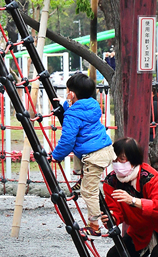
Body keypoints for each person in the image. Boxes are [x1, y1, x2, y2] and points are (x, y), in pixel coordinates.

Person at [49, 74, 115, 236]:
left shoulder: (72, 116)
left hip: (94, 156)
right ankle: (83, 180)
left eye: (68, 92)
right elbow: (79, 110)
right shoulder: (93, 105)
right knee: (82, 153)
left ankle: (94, 225)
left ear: (71, 94)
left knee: (89, 191)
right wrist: (65, 104)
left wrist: (56, 156)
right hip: (104, 149)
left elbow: (67, 140)